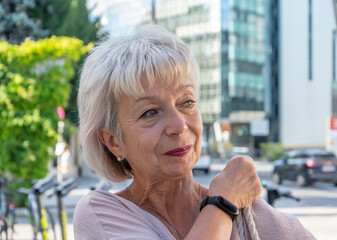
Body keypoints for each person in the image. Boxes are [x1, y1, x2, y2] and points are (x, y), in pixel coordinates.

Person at [74, 24, 315, 240]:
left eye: (186, 102)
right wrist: (223, 201)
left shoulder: (249, 213)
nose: (179, 126)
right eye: (150, 112)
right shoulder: (101, 214)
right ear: (113, 141)